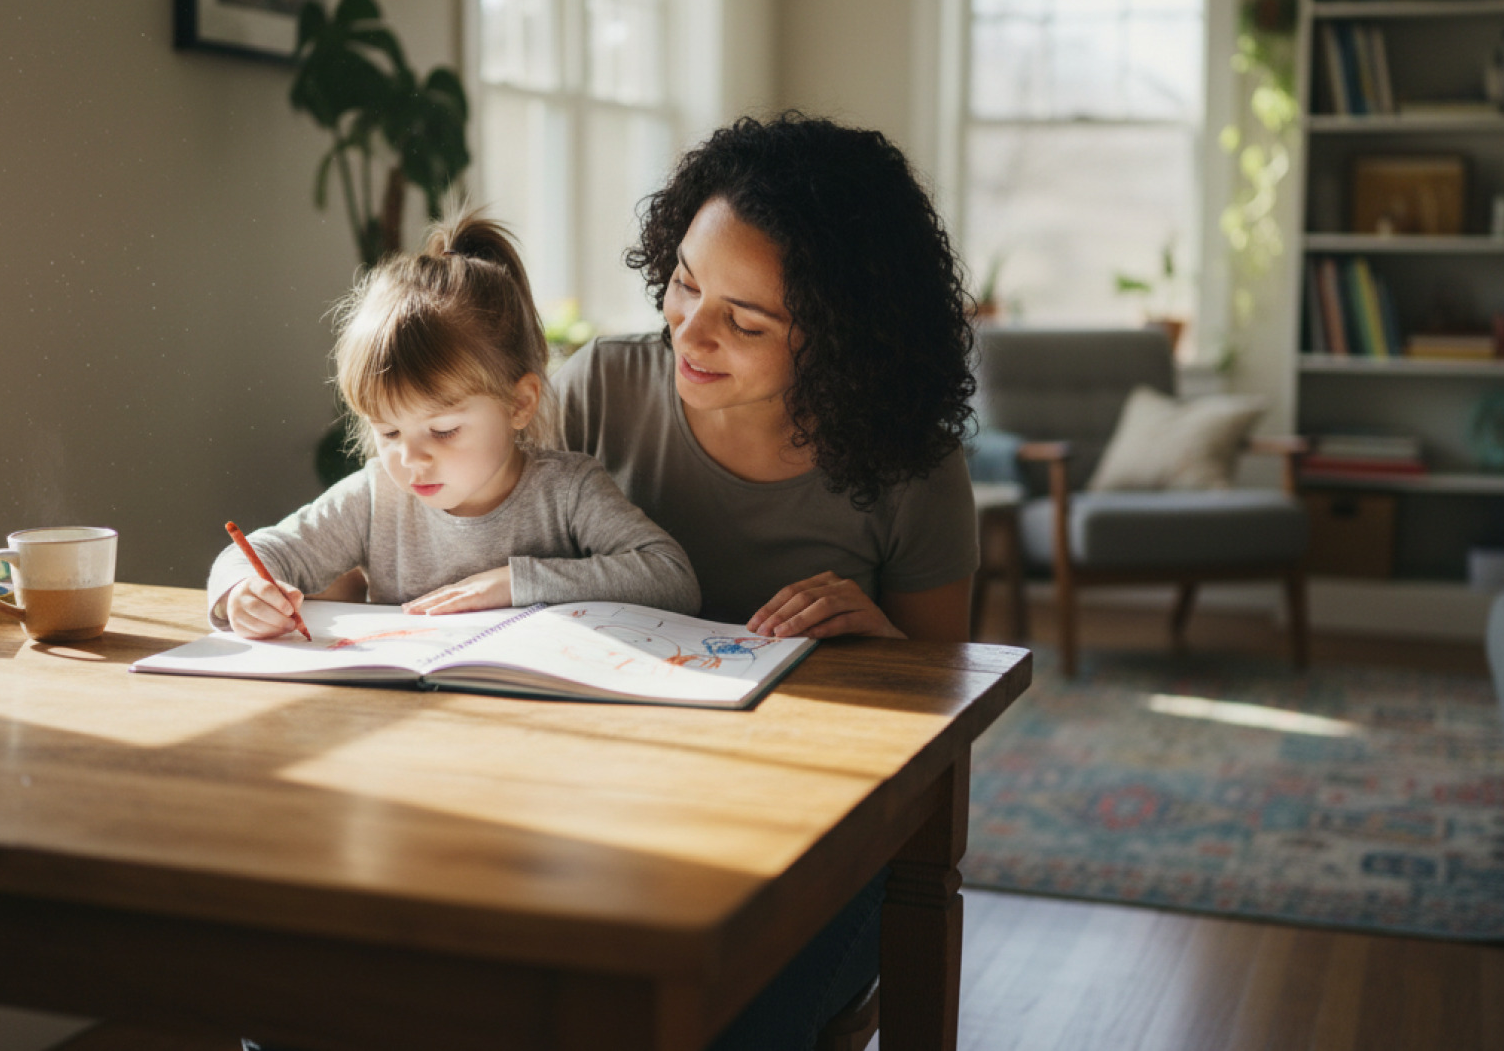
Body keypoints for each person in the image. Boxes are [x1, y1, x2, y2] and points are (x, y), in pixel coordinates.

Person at [550, 112, 980, 1048]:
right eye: (684, 285)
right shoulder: (598, 391)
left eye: (744, 320)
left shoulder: (912, 465)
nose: (691, 335)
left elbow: (949, 710)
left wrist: (886, 646)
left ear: (838, 339)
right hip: (604, 803)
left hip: (823, 843)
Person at [210, 210, 701, 638]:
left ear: (519, 403)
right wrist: (242, 592)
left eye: (443, 430)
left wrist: (516, 583)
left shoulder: (568, 491)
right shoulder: (375, 497)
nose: (410, 459)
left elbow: (673, 578)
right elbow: (258, 553)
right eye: (389, 433)